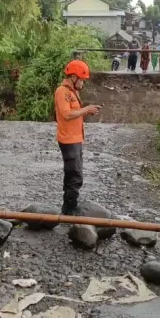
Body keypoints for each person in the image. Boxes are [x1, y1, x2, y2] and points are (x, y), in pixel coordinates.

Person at [55, 60, 101, 215]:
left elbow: (74, 113)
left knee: (72, 174)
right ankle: (69, 209)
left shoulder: (73, 92)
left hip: (75, 139)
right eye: (82, 79)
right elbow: (67, 114)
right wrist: (86, 109)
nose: (83, 83)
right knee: (75, 176)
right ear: (73, 77)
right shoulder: (63, 92)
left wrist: (87, 111)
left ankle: (68, 207)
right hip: (68, 140)